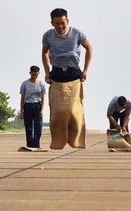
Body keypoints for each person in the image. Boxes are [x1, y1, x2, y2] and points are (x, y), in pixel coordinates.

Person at [42, 8, 92, 149]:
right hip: (56, 74)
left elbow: (89, 49)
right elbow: (44, 53)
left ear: (67, 21)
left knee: (73, 110)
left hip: (74, 74)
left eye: (62, 23)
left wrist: (86, 70)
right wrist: (46, 72)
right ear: (52, 23)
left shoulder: (77, 34)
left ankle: (76, 141)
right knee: (58, 111)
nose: (60, 26)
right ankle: (58, 142)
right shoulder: (47, 36)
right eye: (57, 23)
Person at [19, 65, 46, 149]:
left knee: (38, 126)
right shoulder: (25, 84)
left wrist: (41, 110)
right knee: (29, 127)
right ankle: (30, 145)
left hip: (38, 106)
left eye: (36, 75)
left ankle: (36, 144)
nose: (34, 76)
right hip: (28, 106)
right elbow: (22, 98)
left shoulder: (41, 84)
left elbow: (43, 98)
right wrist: (22, 111)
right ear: (30, 73)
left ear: (38, 73)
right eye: (32, 74)